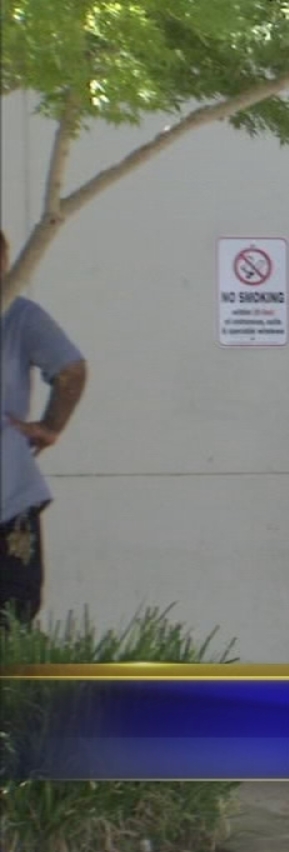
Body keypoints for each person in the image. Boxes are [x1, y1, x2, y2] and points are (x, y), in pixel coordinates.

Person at [1, 229, 89, 630]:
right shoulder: (18, 314)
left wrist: (49, 427)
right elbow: (71, 372)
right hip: (8, 497)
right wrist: (50, 427)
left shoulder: (20, 316)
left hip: (10, 499)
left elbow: (71, 372)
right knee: (13, 615)